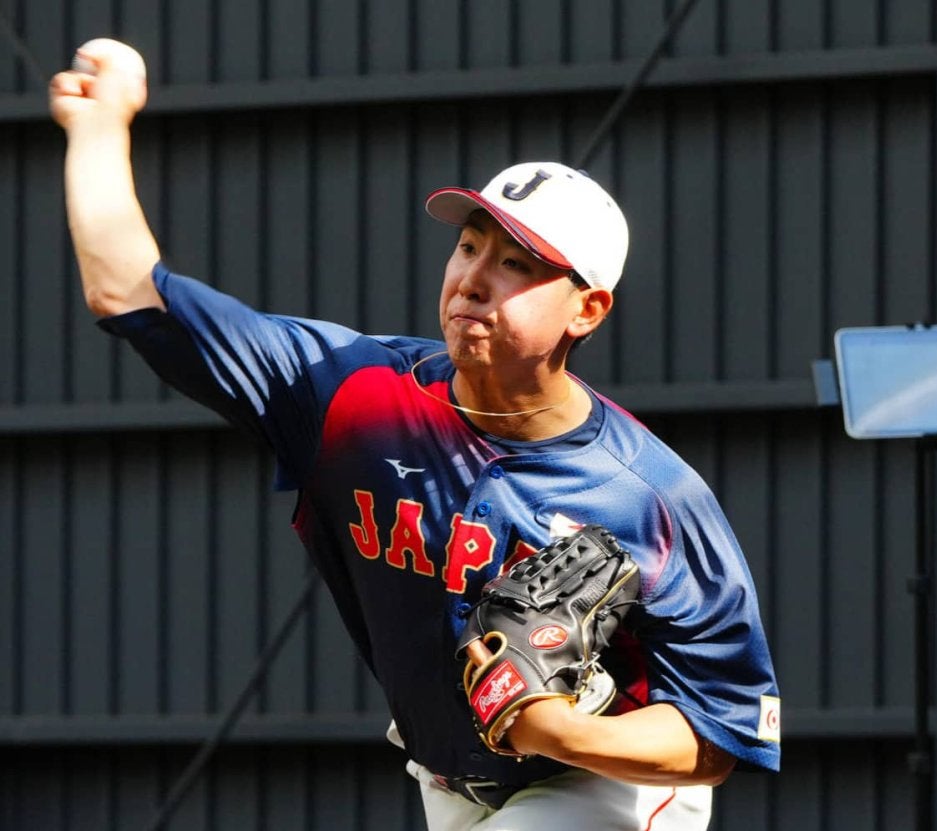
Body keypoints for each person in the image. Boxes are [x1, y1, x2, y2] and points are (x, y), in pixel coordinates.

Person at [50, 41, 780, 831]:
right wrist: (98, 128)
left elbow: (721, 730)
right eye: (469, 245)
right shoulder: (354, 393)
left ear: (588, 309)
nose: (472, 276)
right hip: (444, 774)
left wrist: (563, 729)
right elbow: (126, 290)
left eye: (516, 263)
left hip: (600, 781)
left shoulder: (650, 495)